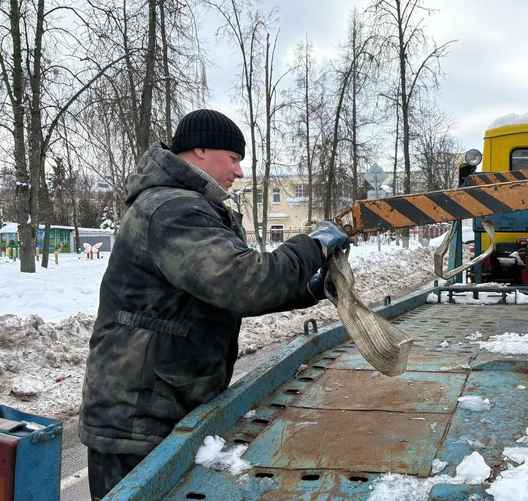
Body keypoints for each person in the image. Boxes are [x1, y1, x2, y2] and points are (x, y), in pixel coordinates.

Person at [78, 109, 348, 499]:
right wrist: (312, 247)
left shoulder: (191, 206)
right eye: (235, 159)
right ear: (201, 149)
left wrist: (311, 288)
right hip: (137, 422)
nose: (239, 172)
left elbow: (225, 294)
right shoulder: (171, 210)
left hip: (164, 407)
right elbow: (242, 281)